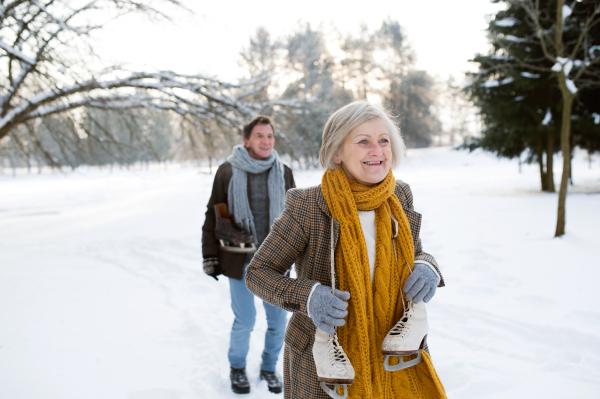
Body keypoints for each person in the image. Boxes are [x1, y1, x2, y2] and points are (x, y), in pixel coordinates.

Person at [245, 101, 447, 399]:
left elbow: (414, 253)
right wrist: (309, 296)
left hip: (392, 353)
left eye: (383, 141)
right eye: (363, 142)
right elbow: (257, 273)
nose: (377, 151)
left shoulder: (399, 196)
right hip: (326, 363)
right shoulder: (308, 206)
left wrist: (428, 267)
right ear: (336, 153)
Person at [201, 115, 295, 395]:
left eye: (270, 136)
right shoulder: (227, 171)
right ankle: (237, 368)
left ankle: (269, 367)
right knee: (245, 319)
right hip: (239, 258)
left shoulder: (284, 171)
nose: (266, 141)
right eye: (259, 136)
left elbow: (294, 219)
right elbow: (212, 213)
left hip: (276, 262)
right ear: (246, 141)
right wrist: (210, 256)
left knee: (278, 321)